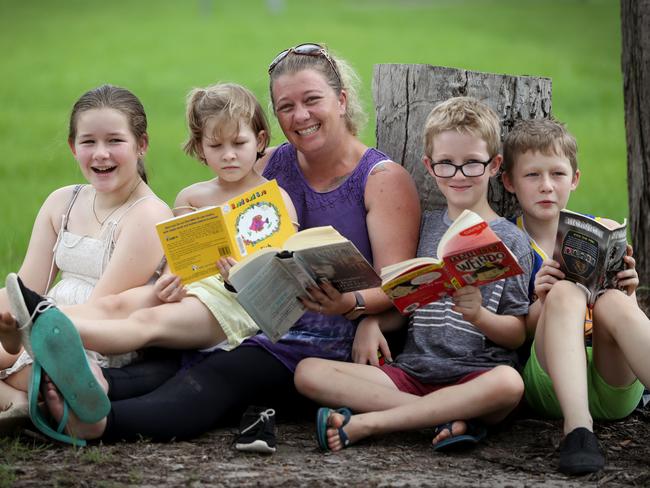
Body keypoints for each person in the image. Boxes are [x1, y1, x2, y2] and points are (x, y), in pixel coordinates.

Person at [29, 43, 422, 443]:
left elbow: (399, 285)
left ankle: (97, 425)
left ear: (341, 100)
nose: (300, 116)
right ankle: (77, 391)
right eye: (286, 106)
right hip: (255, 317)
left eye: (312, 100)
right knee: (169, 361)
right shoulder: (269, 163)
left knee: (218, 373)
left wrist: (358, 311)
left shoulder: (380, 178)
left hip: (327, 339)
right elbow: (223, 158)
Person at [293, 96, 533, 452]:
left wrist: (479, 315)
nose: (458, 175)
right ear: (429, 165)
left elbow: (516, 335)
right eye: (446, 164)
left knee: (510, 384)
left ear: (494, 164)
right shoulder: (424, 227)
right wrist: (372, 323)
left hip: (477, 376)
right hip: (413, 373)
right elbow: (406, 303)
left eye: (472, 164)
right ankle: (443, 418)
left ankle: (371, 423)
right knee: (308, 372)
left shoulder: (512, 239)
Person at [2, 83, 299, 366]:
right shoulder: (191, 196)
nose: (229, 154)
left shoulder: (273, 199)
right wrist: (173, 279)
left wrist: (237, 278)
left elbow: (284, 271)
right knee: (114, 307)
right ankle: (32, 342)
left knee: (138, 318)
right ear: (201, 148)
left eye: (239, 143)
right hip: (184, 292)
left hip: (226, 301)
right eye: (216, 145)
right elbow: (179, 259)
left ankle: (39, 329)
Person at [0, 85, 172, 429]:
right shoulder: (62, 202)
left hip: (93, 339)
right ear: (72, 147)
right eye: (88, 141)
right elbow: (26, 287)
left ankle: (30, 399)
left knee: (22, 360)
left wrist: (13, 346)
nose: (101, 154)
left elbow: (102, 308)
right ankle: (20, 404)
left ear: (142, 145)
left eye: (115, 141)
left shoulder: (148, 215)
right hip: (42, 322)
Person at [501, 118, 649, 476]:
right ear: (509, 182)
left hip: (613, 379)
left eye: (557, 174)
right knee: (565, 291)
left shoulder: (600, 230)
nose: (546, 186)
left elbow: (625, 318)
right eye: (532, 175)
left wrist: (629, 291)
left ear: (575, 179)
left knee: (612, 301)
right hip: (550, 382)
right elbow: (518, 335)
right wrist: (542, 299)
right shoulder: (509, 242)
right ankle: (578, 430)